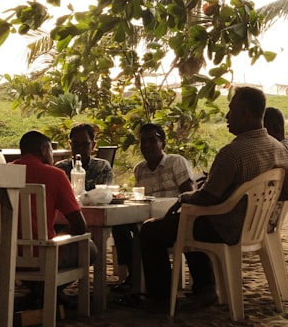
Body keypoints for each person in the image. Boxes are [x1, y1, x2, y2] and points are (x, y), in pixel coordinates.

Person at [132, 87, 288, 310]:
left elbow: (208, 197)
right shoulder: (279, 150)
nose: (227, 116)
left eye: (231, 110)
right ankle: (205, 289)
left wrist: (184, 197)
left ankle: (161, 297)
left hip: (226, 228)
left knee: (153, 230)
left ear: (245, 114)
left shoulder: (232, 153)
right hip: (254, 228)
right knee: (187, 222)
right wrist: (257, 203)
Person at [112, 123, 196, 288]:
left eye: (152, 140)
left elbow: (188, 194)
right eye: (143, 141)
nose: (147, 145)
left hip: (173, 218)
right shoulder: (139, 169)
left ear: (163, 143)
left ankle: (159, 288)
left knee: (149, 232)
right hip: (147, 217)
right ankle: (133, 272)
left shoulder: (175, 162)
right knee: (119, 225)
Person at [12, 130, 98, 269]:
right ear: (44, 150)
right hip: (39, 254)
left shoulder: (3, 173)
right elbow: (80, 227)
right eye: (51, 152)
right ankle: (47, 289)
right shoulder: (55, 175)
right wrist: (59, 235)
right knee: (89, 248)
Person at [55, 123, 113, 191]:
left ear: (93, 145)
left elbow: (104, 194)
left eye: (85, 144)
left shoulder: (101, 167)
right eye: (76, 144)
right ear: (70, 144)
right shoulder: (61, 168)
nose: (80, 148)